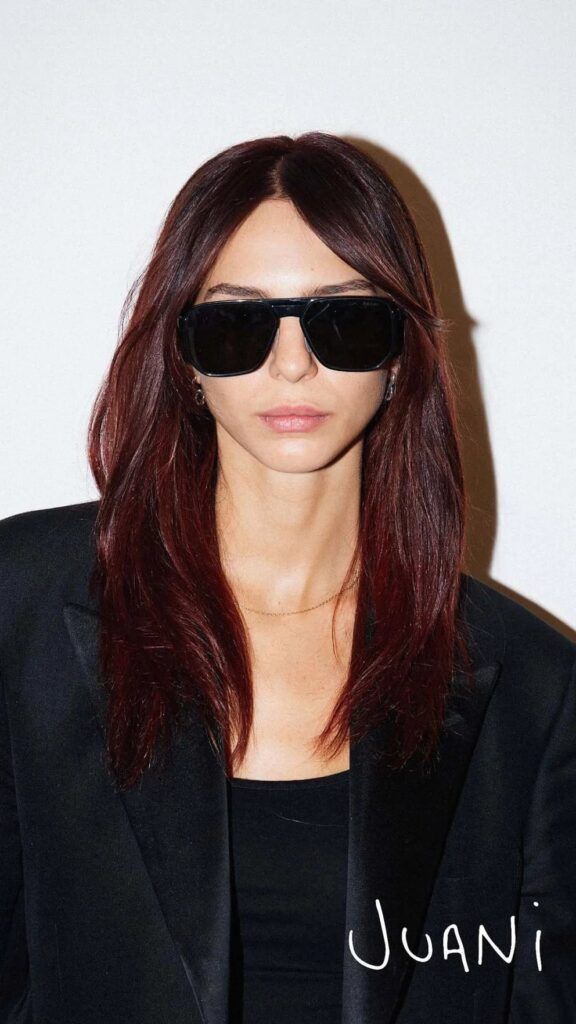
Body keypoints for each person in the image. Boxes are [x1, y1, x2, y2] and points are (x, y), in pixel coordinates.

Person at [0, 132, 574, 1024]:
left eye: (345, 320)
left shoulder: (534, 685)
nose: (293, 363)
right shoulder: (23, 604)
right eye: (237, 325)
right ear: (184, 357)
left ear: (401, 354)